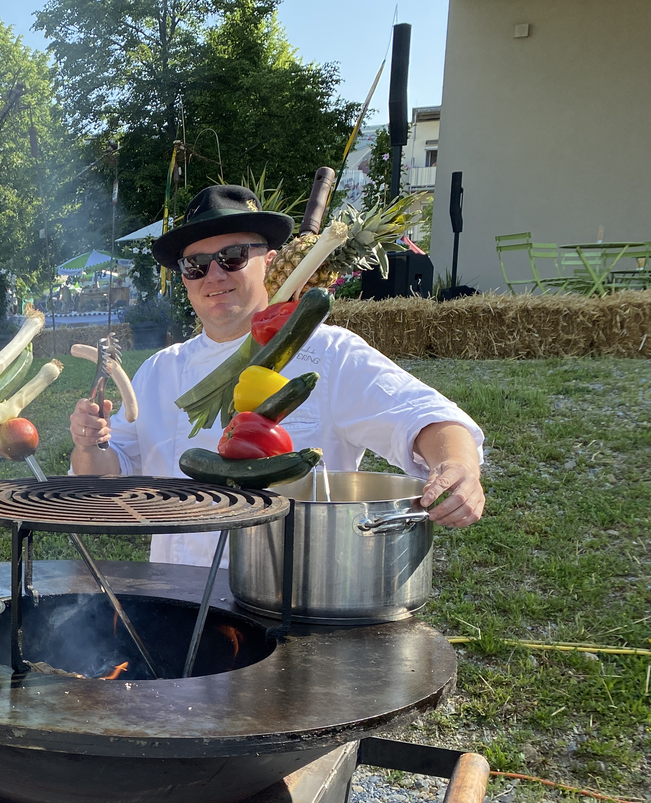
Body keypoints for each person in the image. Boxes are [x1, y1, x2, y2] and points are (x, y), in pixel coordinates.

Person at [70, 183, 485, 566]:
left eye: (232, 257)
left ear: (268, 263)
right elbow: (107, 478)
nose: (213, 274)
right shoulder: (158, 371)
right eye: (195, 264)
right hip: (176, 596)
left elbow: (426, 416)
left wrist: (456, 466)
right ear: (184, 277)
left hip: (288, 597)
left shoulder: (328, 352)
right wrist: (90, 444)